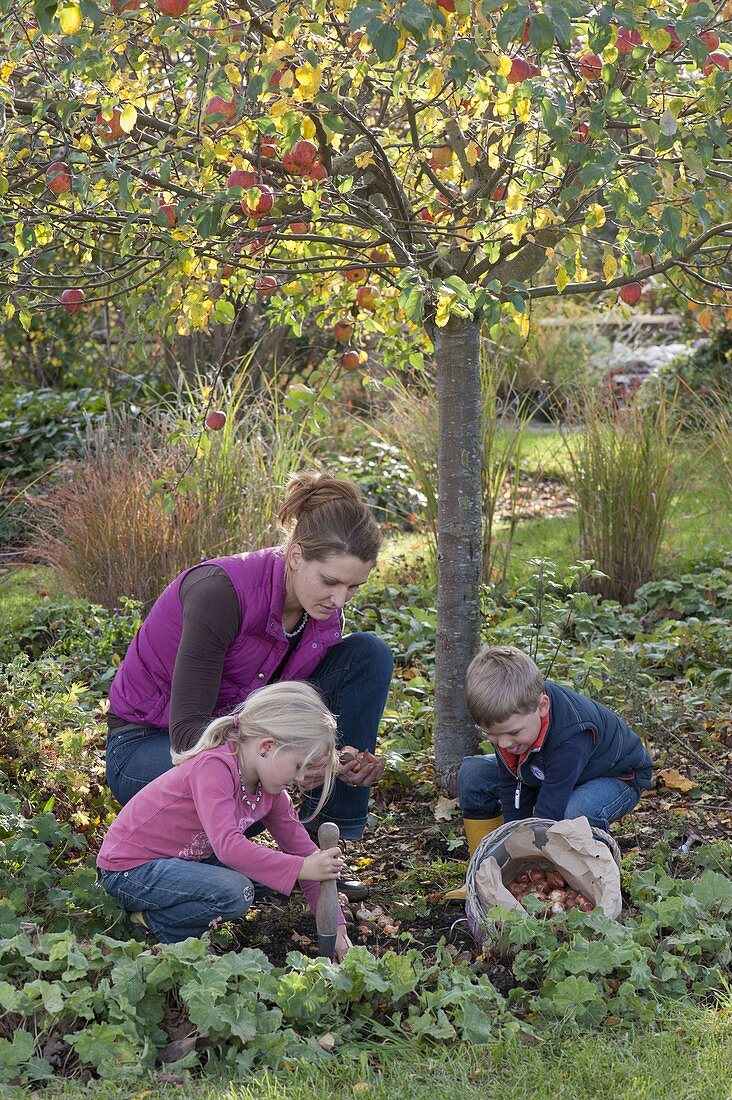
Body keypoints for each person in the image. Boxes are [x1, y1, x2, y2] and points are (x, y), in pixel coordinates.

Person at [105, 473, 393, 897]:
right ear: (295, 556)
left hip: (238, 742)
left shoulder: (323, 612)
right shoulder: (221, 592)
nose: (340, 600)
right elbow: (189, 739)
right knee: (247, 783)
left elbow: (282, 713)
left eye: (353, 587)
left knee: (369, 654)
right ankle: (213, 866)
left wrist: (331, 759)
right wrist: (283, 758)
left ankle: (322, 851)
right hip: (150, 747)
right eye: (331, 581)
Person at [98, 681, 352, 953]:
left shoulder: (271, 793)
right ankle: (153, 922)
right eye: (298, 766)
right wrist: (301, 868)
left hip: (183, 861)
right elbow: (228, 848)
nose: (301, 778)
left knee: (269, 874)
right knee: (236, 891)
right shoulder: (214, 767)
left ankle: (170, 914)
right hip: (130, 870)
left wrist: (337, 931)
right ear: (266, 747)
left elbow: (304, 854)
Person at [447, 645, 653, 899]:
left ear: (542, 706)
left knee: (577, 811)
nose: (502, 744)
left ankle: (592, 884)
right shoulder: (511, 726)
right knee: (473, 774)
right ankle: (485, 875)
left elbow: (548, 814)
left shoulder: (571, 735)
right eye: (491, 734)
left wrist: (534, 864)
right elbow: (512, 785)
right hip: (546, 769)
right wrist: (512, 845)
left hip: (614, 777)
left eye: (512, 733)